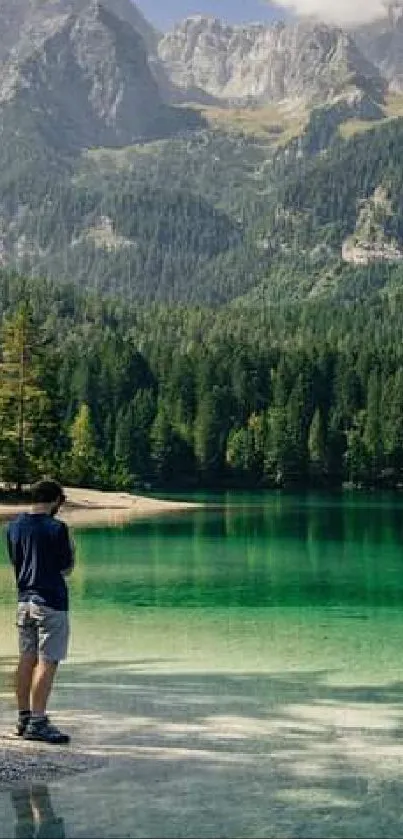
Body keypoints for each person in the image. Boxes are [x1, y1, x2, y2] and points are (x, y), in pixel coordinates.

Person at [6, 479, 75, 745]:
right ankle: (38, 721)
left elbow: (17, 562)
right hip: (51, 602)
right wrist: (73, 551)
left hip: (24, 601)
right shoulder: (58, 529)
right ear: (57, 501)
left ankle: (23, 719)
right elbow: (66, 569)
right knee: (48, 660)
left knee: (26, 658)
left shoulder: (13, 527)